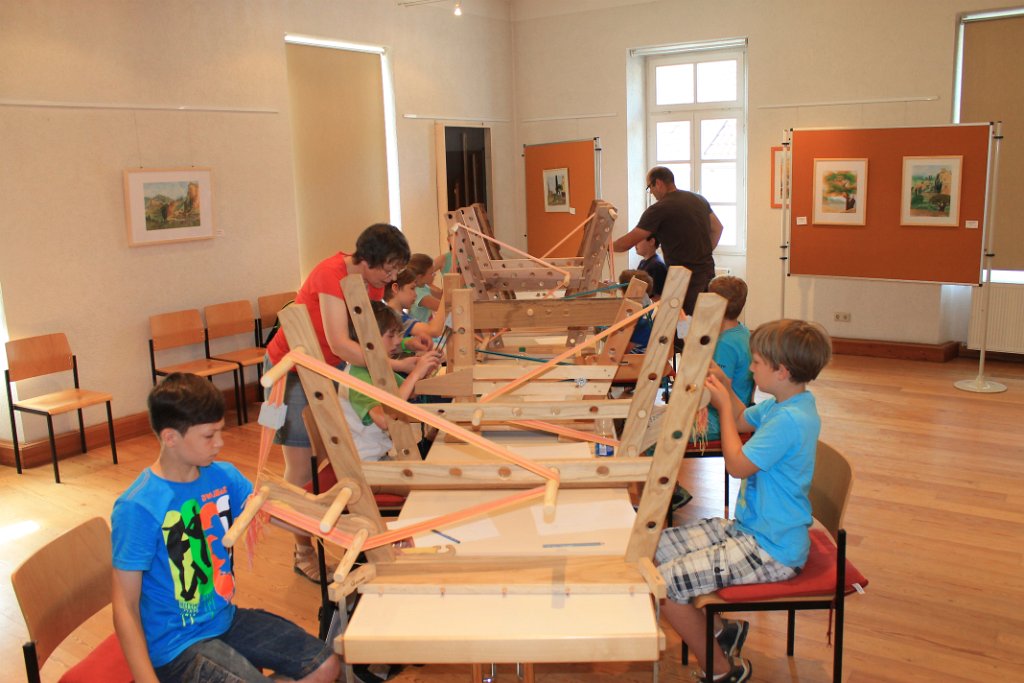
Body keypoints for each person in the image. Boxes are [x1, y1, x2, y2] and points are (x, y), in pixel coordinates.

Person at [111, 373, 341, 683]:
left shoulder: (222, 476)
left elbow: (271, 514)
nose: (219, 443)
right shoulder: (138, 507)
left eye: (221, 431)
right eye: (209, 435)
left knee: (325, 666)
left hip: (224, 620)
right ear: (170, 437)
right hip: (177, 647)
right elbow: (124, 606)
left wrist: (338, 525)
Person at [656, 319, 832, 682]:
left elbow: (737, 466)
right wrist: (723, 383)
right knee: (653, 548)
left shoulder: (789, 421)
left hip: (772, 549)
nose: (751, 369)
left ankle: (723, 672)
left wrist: (721, 406)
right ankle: (722, 632)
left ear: (782, 371)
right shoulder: (784, 404)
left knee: (665, 585)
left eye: (757, 362)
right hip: (751, 532)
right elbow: (740, 418)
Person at [265, 222, 416, 582]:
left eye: (397, 270)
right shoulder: (329, 274)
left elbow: (371, 331)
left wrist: (405, 344)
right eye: (389, 269)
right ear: (367, 260)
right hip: (292, 368)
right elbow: (340, 342)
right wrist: (394, 364)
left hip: (328, 367)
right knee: (301, 464)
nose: (392, 278)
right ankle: (303, 552)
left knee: (334, 448)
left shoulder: (371, 281)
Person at [612, 166, 724, 316]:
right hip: (707, 272)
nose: (651, 193)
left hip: (683, 279)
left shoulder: (659, 209)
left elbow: (627, 243)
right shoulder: (699, 200)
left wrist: (607, 247)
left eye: (649, 188)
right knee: (704, 321)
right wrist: (704, 252)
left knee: (682, 324)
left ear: (658, 183)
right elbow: (718, 228)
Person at [341, 301, 443, 462]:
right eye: (391, 335)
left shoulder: (377, 368)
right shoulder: (356, 377)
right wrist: (415, 374)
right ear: (368, 338)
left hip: (379, 456)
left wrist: (423, 371)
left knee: (435, 446)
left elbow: (411, 392)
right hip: (365, 464)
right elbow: (384, 420)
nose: (397, 341)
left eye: (398, 335)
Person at [701, 275, 754, 441]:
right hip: (737, 410)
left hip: (718, 419)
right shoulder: (743, 332)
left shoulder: (725, 344)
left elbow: (718, 390)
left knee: (658, 433)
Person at [385, 267, 447, 345]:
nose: (416, 294)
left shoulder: (400, 316)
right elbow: (434, 330)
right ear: (395, 288)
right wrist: (445, 297)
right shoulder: (394, 318)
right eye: (412, 288)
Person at [617, 269, 655, 355]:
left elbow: (623, 350)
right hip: (653, 356)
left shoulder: (638, 316)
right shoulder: (651, 308)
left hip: (636, 359)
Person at [405, 252, 442, 323]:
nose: (434, 275)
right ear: (420, 277)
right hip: (420, 328)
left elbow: (441, 295)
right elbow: (442, 307)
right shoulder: (418, 293)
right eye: (431, 273)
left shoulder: (423, 286)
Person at [635, 233, 667, 300]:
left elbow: (657, 296)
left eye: (638, 240)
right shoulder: (642, 262)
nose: (635, 244)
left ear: (652, 241)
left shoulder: (657, 265)